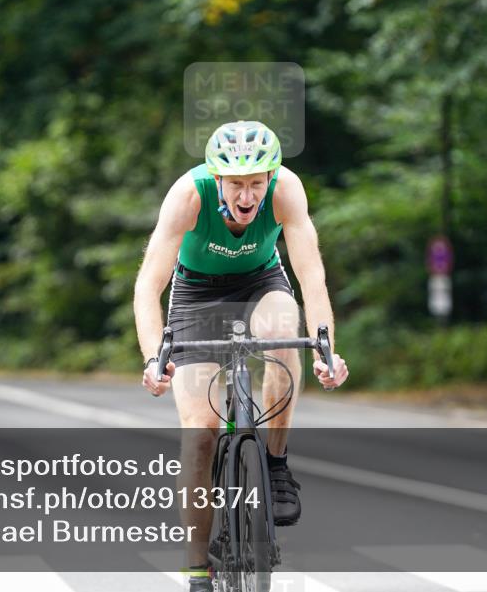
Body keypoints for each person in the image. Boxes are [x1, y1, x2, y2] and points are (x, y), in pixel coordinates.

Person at [133, 120, 349, 589]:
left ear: (271, 177)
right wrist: (155, 358)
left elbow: (312, 277)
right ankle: (196, 571)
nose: (247, 196)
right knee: (201, 433)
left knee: (280, 332)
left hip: (260, 282)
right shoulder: (187, 196)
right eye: (237, 185)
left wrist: (326, 348)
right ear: (218, 180)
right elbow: (148, 286)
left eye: (256, 183)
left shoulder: (286, 191)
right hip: (195, 295)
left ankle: (274, 466)